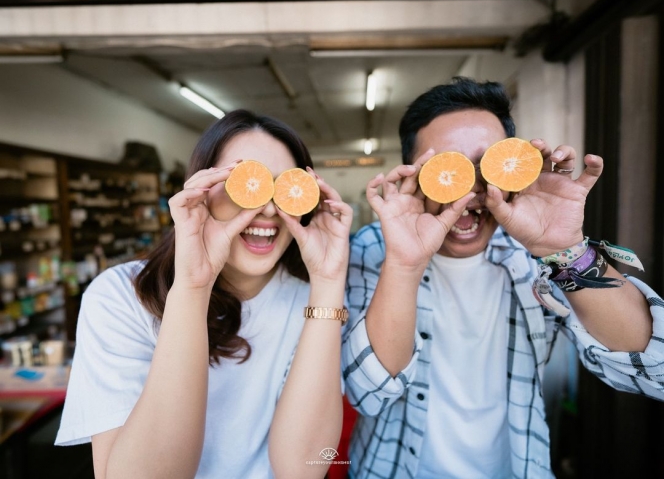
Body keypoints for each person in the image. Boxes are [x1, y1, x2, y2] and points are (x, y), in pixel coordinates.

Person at [342, 77, 664, 478]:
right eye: (448, 168)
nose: (471, 188)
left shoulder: (535, 257)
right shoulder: (372, 249)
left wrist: (565, 249)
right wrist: (404, 263)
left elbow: (656, 371)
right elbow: (368, 396)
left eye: (485, 166)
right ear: (413, 172)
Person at [56, 110, 352, 479]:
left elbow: (304, 469)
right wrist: (194, 284)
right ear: (199, 190)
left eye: (284, 187)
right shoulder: (119, 296)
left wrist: (327, 281)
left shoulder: (313, 304)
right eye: (244, 182)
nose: (268, 209)